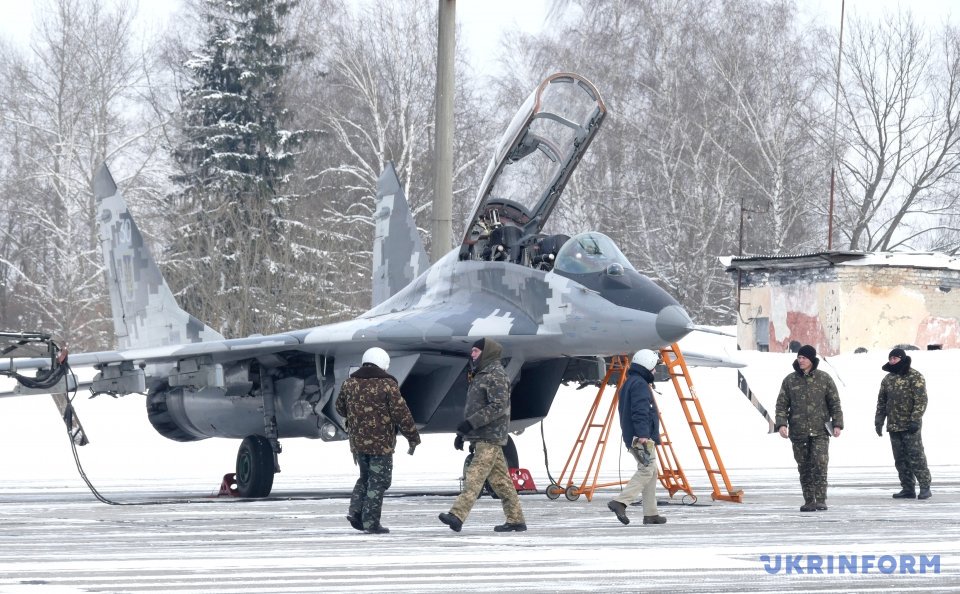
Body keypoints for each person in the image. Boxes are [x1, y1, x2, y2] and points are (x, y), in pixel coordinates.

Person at [438, 338, 527, 533]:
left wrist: (470, 424)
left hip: (490, 435)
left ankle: (457, 515)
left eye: (477, 351)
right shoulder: (480, 374)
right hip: (482, 434)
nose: (473, 354)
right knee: (501, 482)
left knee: (475, 476)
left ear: (487, 353)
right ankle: (516, 519)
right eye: (473, 351)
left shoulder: (496, 375)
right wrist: (463, 433)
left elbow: (498, 406)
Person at [335, 347, 420, 534]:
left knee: (365, 477)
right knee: (379, 481)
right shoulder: (387, 385)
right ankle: (371, 522)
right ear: (382, 363)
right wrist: (413, 437)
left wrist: (357, 416)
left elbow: (339, 407)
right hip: (381, 445)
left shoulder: (349, 383)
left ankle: (355, 511)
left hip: (357, 443)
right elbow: (402, 414)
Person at [775, 344, 844, 512]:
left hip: (820, 430)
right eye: (799, 357)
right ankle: (809, 500)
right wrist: (782, 424)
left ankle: (820, 499)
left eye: (804, 358)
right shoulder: (790, 380)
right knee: (804, 466)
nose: (800, 360)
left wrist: (837, 424)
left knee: (820, 463)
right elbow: (781, 405)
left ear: (811, 359)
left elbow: (834, 403)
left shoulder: (824, 378)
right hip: (799, 432)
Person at [606, 349, 667, 526]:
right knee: (647, 469)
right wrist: (643, 435)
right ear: (647, 365)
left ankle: (651, 514)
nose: (655, 371)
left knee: (652, 471)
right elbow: (640, 411)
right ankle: (621, 502)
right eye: (654, 367)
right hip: (641, 437)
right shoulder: (639, 384)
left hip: (633, 436)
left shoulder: (630, 382)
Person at [875, 348, 932, 500]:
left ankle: (925, 486)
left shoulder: (914, 376)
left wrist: (915, 419)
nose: (893, 361)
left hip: (910, 425)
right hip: (894, 425)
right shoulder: (888, 379)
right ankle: (908, 488)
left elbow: (921, 400)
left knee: (916, 456)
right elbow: (882, 402)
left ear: (902, 359)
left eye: (895, 358)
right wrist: (879, 421)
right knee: (900, 459)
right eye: (891, 358)